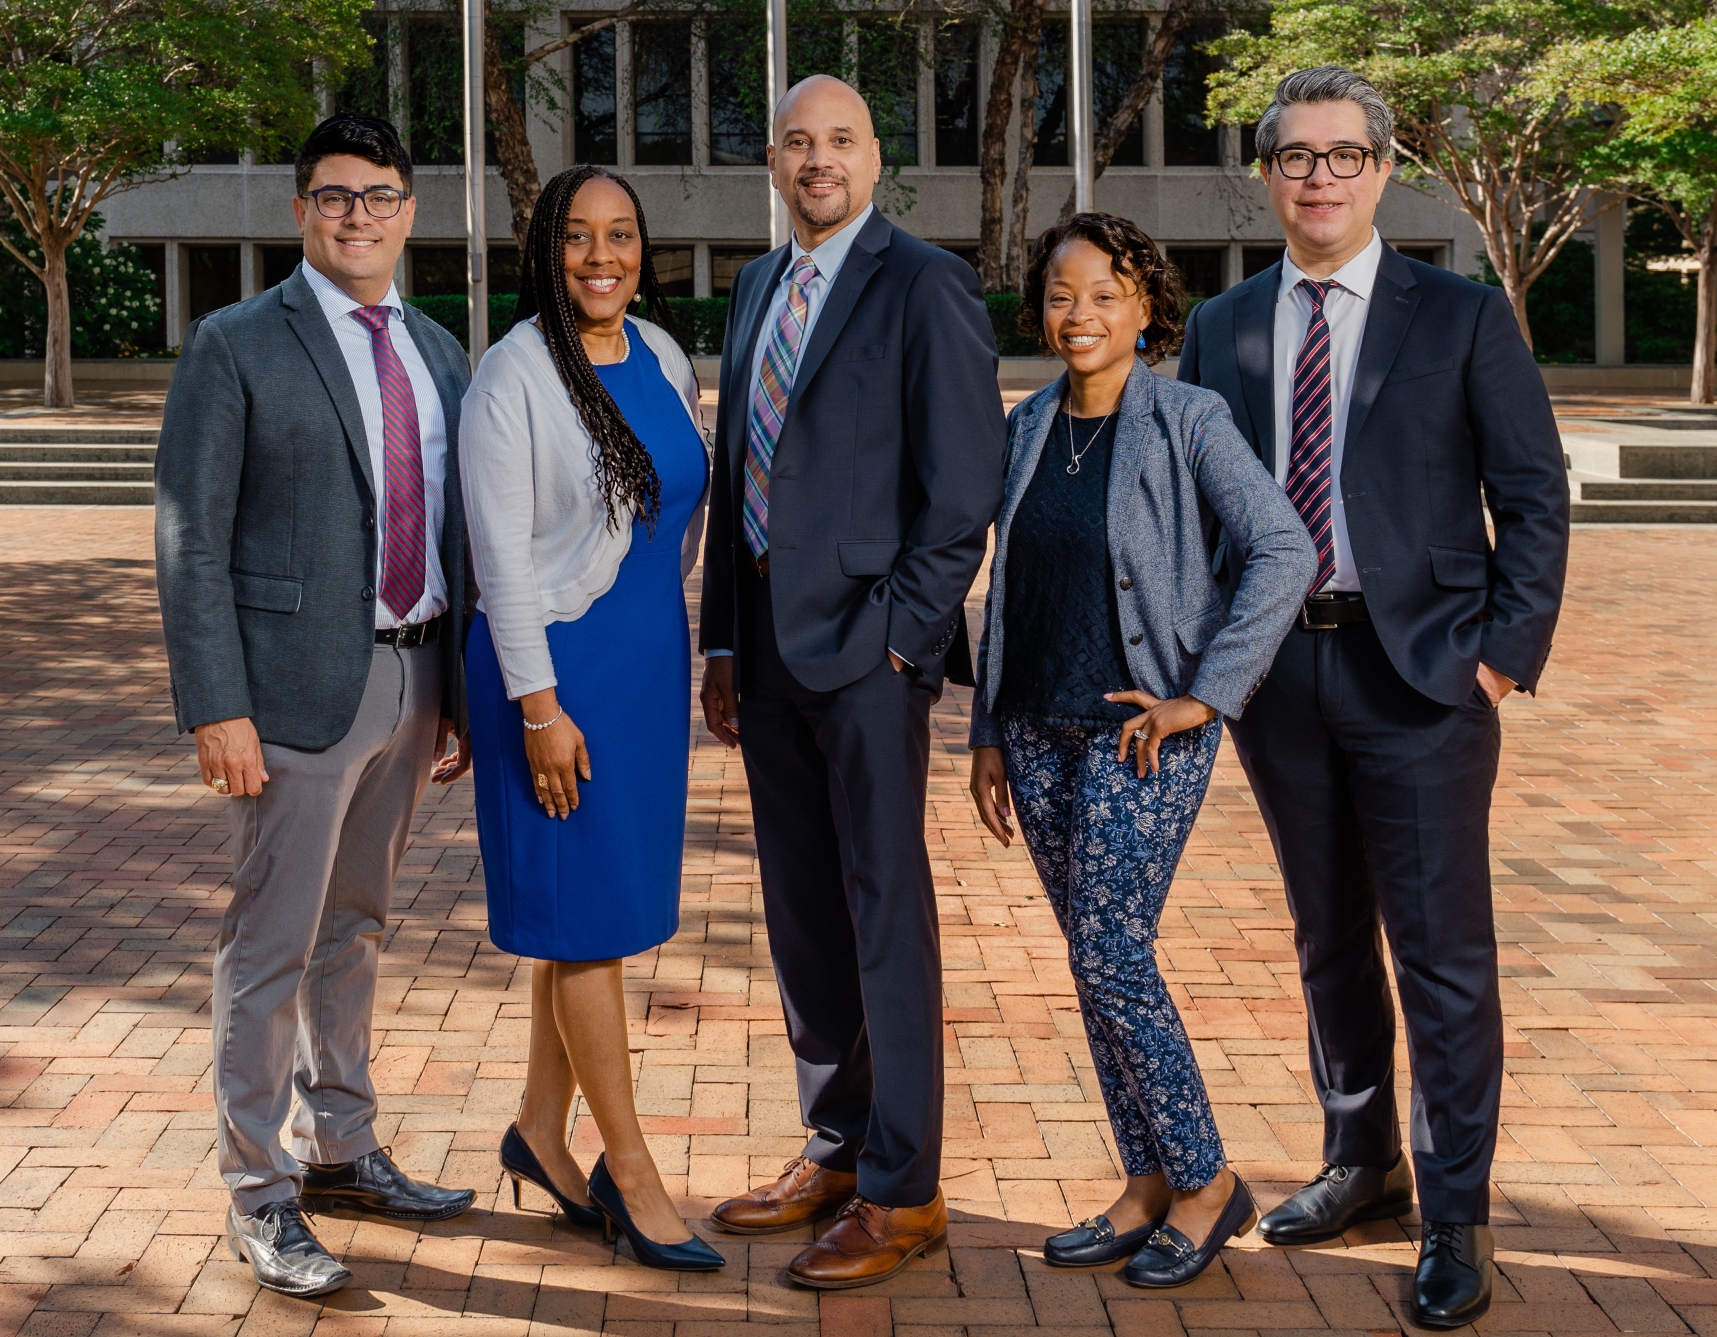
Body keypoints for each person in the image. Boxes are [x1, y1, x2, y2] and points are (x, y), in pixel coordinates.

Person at [1178, 67, 1570, 1329]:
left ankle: (1455, 1206)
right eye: (1295, 157)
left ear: (1384, 171)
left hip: (1425, 677)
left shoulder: (1459, 314)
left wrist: (1501, 653)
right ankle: (1362, 1162)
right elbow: (1196, 514)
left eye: (1344, 156)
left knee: (1442, 957)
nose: (1320, 179)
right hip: (1281, 676)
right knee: (1326, 933)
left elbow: (1535, 492)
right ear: (1267, 175)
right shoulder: (1222, 325)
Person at [154, 112, 476, 1299]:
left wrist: (451, 696)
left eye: (380, 194)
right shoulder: (237, 342)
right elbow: (189, 537)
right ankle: (258, 1190)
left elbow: (450, 527)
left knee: (359, 926)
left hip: (412, 673)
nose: (358, 214)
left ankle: (341, 1144)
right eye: (334, 195)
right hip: (286, 695)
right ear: (300, 211)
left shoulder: (441, 350)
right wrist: (214, 704)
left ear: (408, 209)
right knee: (270, 942)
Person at [697, 75, 1006, 1289]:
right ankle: (835, 1142)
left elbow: (963, 486)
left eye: (840, 140)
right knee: (801, 909)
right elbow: (739, 477)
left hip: (870, 654)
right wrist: (722, 640)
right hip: (766, 651)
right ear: (771, 160)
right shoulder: (757, 284)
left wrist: (904, 641)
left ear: (877, 158)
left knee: (884, 911)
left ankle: (904, 1186)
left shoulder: (925, 284)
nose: (817, 160)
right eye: (796, 141)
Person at [967, 214, 1315, 1289]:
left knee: (1112, 953)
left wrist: (1204, 694)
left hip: (1137, 737)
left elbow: (1283, 547)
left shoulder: (1187, 418)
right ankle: (1148, 1177)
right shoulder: (1025, 426)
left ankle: (1206, 1179)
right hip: (1034, 725)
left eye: (1106, 293)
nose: (1081, 314)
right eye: (1063, 294)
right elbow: (1010, 588)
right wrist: (985, 727)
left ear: (1147, 308)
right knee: (1091, 962)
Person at [458, 165, 723, 1273]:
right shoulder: (511, 376)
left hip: (642, 664)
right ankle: (631, 1168)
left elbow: (674, 515)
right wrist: (537, 707)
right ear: (544, 250)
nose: (600, 256)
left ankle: (537, 1127)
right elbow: (502, 561)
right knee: (591, 927)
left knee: (589, 917)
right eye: (576, 236)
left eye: (619, 235)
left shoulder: (660, 354)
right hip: (554, 673)